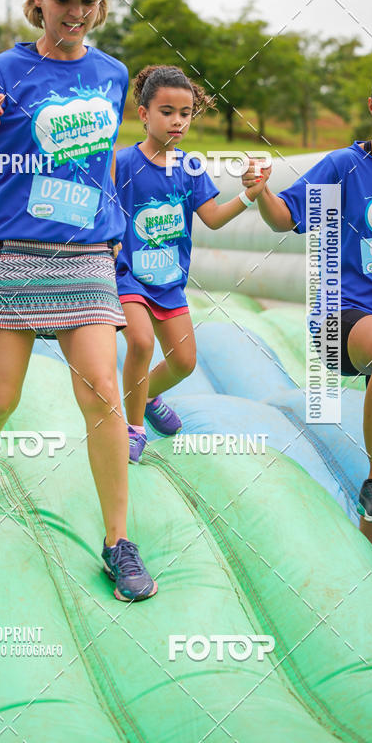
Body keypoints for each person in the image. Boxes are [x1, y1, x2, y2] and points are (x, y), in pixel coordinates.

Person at [0, 0, 157, 602]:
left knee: (102, 397)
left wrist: (114, 225)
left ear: (98, 6)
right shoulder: (4, 68)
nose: (77, 11)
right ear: (39, 2)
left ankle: (118, 541)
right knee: (2, 398)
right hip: (15, 249)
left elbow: (101, 160)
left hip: (85, 253)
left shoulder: (113, 74)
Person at [244, 61, 372, 551]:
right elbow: (284, 218)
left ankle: (367, 562)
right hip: (345, 318)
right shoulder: (344, 167)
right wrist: (260, 194)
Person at [116, 65, 271, 462]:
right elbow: (105, 216)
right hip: (130, 277)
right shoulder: (123, 165)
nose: (177, 121)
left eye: (185, 114)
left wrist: (251, 195)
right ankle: (132, 428)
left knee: (184, 362)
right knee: (140, 341)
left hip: (170, 283)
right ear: (143, 113)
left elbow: (213, 218)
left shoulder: (191, 167)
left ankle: (148, 394)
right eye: (166, 111)